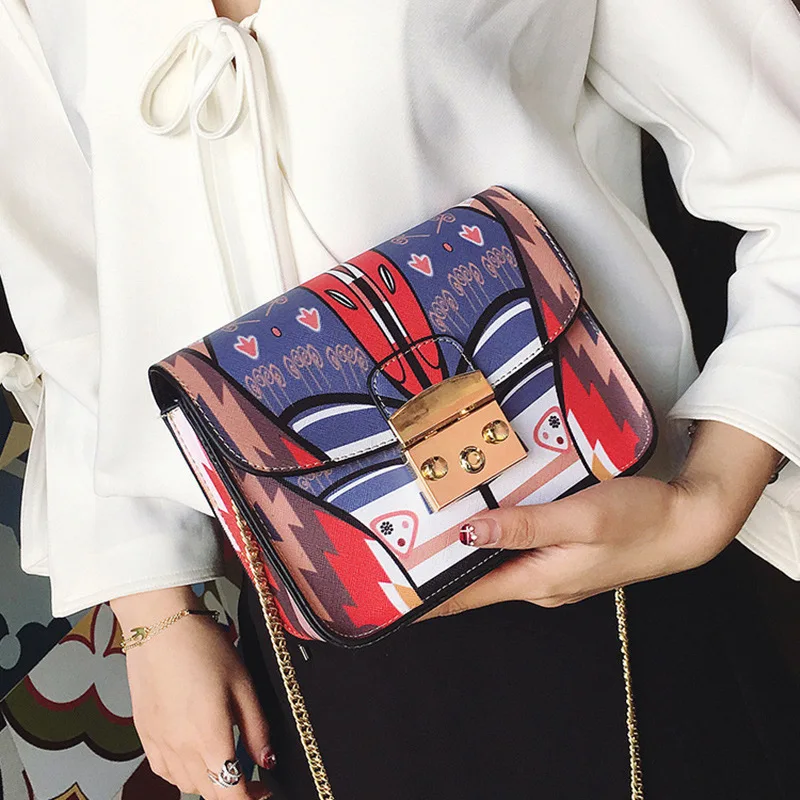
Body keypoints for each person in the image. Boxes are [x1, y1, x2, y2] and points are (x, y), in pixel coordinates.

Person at [1, 0, 799, 797]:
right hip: (317, 624)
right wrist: (155, 617)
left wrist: (708, 500)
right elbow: (77, 314)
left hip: (614, 556)